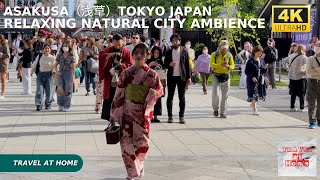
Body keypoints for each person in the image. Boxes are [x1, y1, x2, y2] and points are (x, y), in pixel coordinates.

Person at [110, 43, 163, 180]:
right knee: (126, 146)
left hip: (142, 115)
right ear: (132, 55)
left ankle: (139, 165)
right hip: (127, 113)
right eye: (136, 53)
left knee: (141, 145)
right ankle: (132, 173)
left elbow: (160, 91)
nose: (139, 56)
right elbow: (118, 94)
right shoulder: (126, 74)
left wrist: (154, 93)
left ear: (147, 56)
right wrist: (114, 113)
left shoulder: (152, 75)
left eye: (142, 54)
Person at [99, 34, 134, 121]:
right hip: (110, 78)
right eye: (116, 44)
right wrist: (111, 56)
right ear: (113, 42)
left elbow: (130, 65)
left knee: (121, 98)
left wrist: (121, 65)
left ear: (122, 42)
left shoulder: (126, 52)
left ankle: (120, 118)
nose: (118, 46)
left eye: (120, 44)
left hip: (122, 79)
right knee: (110, 98)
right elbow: (102, 56)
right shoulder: (108, 50)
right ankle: (111, 119)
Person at [163, 33, 191, 124]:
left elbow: (187, 65)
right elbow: (165, 64)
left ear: (179, 41)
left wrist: (189, 77)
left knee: (181, 97)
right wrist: (169, 64)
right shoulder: (168, 52)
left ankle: (181, 116)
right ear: (171, 42)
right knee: (170, 97)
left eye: (176, 40)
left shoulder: (184, 51)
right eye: (173, 40)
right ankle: (170, 116)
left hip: (181, 77)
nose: (175, 42)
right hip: (171, 77)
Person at [210, 40, 235, 118]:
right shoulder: (214, 54)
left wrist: (228, 66)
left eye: (226, 49)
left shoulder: (229, 55)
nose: (225, 50)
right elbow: (211, 64)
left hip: (226, 76)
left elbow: (233, 65)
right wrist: (220, 65)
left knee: (225, 95)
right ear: (219, 47)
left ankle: (223, 112)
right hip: (216, 76)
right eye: (223, 49)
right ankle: (215, 109)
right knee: (215, 94)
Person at [282, 44, 307, 112]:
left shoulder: (292, 55)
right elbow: (307, 66)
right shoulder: (303, 57)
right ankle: (301, 107)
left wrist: (287, 69)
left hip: (291, 76)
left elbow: (284, 61)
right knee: (301, 93)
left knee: (293, 92)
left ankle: (292, 106)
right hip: (300, 76)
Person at [31, 43, 55, 111]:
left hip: (49, 75)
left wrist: (54, 71)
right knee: (39, 90)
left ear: (50, 49)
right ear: (43, 49)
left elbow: (55, 66)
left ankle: (48, 104)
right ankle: (39, 105)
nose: (47, 50)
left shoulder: (53, 57)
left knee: (49, 91)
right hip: (40, 75)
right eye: (45, 48)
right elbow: (35, 63)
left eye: (48, 48)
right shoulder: (40, 56)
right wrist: (31, 71)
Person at [245, 45, 268, 115]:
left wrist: (265, 68)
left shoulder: (261, 60)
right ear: (254, 52)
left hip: (259, 80)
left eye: (261, 53)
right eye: (258, 52)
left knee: (257, 94)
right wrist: (252, 77)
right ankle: (255, 109)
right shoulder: (250, 61)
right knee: (254, 94)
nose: (260, 54)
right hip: (252, 81)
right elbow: (247, 71)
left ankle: (253, 105)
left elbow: (262, 71)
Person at [54, 41, 76, 112]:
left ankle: (66, 106)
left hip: (68, 73)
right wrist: (56, 71)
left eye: (66, 45)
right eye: (64, 45)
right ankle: (60, 105)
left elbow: (73, 67)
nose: (65, 47)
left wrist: (73, 76)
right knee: (59, 89)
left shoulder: (71, 56)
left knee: (67, 90)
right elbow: (55, 64)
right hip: (61, 73)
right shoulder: (60, 55)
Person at [146, 46, 164, 123]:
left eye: (157, 53)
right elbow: (145, 69)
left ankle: (156, 115)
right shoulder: (149, 60)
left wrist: (159, 66)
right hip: (150, 82)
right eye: (155, 53)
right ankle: (150, 115)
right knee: (150, 99)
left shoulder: (161, 61)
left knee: (158, 99)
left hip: (158, 82)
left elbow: (163, 69)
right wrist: (150, 64)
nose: (156, 54)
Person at [306, 41, 320, 129]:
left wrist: (316, 69)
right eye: (317, 46)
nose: (317, 47)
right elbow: (308, 71)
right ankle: (312, 121)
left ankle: (319, 119)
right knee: (311, 103)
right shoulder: (310, 59)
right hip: (312, 81)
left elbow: (312, 70)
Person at [0, 34, 10, 100]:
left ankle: (2, 94)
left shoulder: (5, 45)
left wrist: (1, 54)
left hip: (3, 64)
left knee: (3, 80)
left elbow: (8, 55)